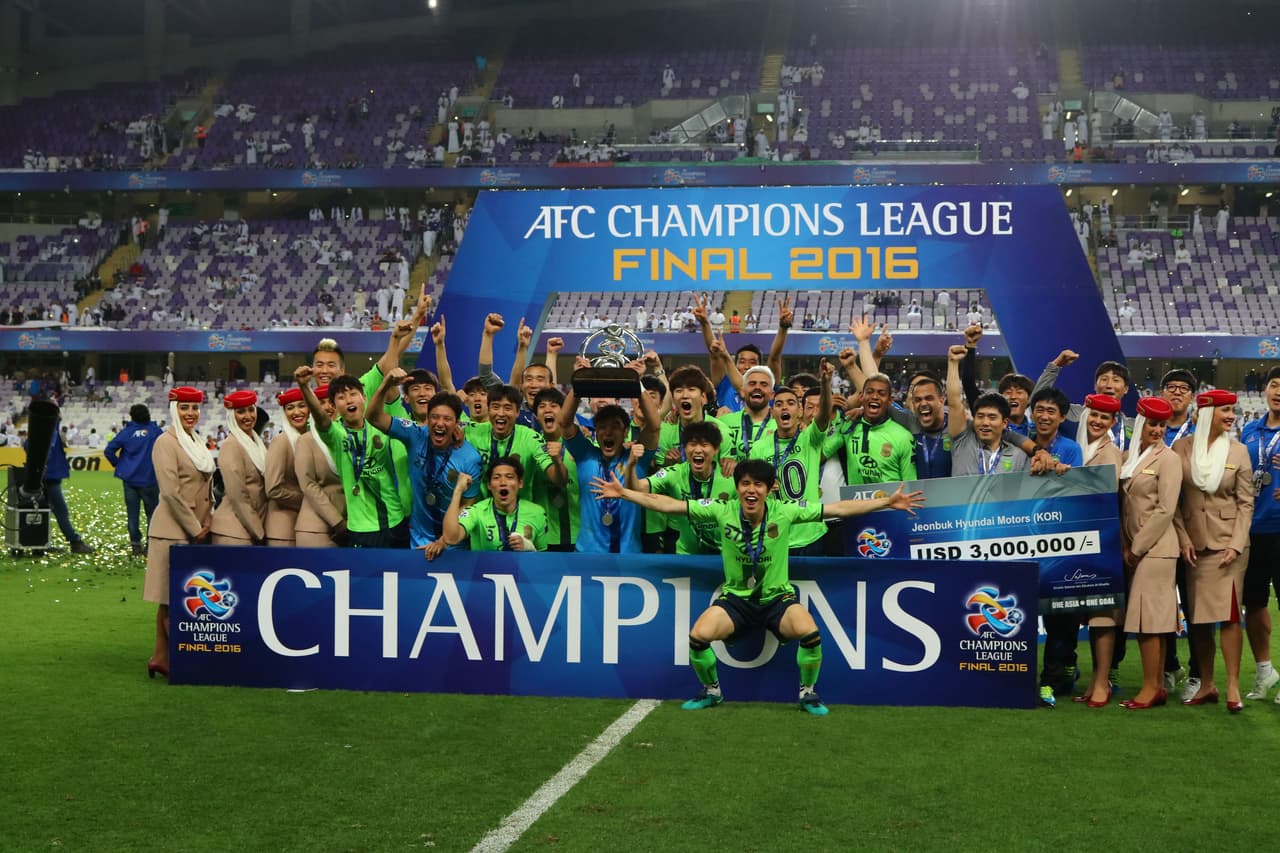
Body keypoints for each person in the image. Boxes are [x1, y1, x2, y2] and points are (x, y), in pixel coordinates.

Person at [591, 458, 924, 714]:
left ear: (770, 489)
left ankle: (808, 693)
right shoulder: (721, 510)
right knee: (698, 636)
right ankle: (712, 691)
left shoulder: (786, 511)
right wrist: (626, 493)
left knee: (809, 631)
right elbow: (670, 505)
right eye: (745, 484)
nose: (751, 490)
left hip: (777, 598)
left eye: (758, 485)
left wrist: (884, 502)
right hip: (736, 599)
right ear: (737, 488)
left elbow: (837, 508)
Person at [1173, 389, 1253, 713]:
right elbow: (1173, 502)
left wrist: (1235, 544)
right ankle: (1207, 684)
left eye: (1233, 410)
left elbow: (1246, 504)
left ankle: (1233, 685)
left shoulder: (1239, 451)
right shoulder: (1181, 449)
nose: (1231, 416)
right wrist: (1182, 539)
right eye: (1225, 411)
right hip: (1194, 547)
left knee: (1230, 617)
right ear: (1207, 413)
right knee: (1199, 621)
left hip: (1229, 549)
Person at [142, 387, 215, 679]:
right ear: (174, 409)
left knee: (177, 599)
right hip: (172, 530)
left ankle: (163, 657)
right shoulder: (165, 442)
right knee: (169, 599)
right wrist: (196, 528)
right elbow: (170, 493)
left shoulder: (196, 442)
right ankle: (163, 656)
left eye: (195, 408)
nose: (190, 413)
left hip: (192, 529)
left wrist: (205, 522)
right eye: (185, 407)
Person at [368, 369, 482, 556]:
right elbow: (373, 417)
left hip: (454, 546)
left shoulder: (470, 458)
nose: (439, 423)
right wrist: (386, 385)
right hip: (418, 542)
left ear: (457, 423)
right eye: (435, 417)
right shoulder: (414, 434)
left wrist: (443, 541)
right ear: (427, 419)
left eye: (447, 419)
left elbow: (468, 504)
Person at [296, 367, 409, 548]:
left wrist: (387, 384)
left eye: (353, 394)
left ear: (364, 397)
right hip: (361, 527)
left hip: (395, 519)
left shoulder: (381, 427)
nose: (349, 400)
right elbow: (322, 420)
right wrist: (304, 387)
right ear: (333, 406)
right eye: (341, 397)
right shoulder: (336, 435)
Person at [1117, 397, 1183, 709]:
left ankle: (1151, 686)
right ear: (1141, 424)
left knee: (1149, 622)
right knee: (1149, 620)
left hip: (1156, 549)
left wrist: (1137, 547)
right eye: (1152, 424)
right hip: (1139, 548)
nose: (1157, 430)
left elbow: (1166, 509)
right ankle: (1155, 686)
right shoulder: (1130, 457)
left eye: (1162, 425)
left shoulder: (1168, 459)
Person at [1075, 393, 1126, 706]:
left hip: (1101, 540)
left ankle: (1101, 682)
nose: (1097, 421)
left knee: (1102, 615)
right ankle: (1096, 680)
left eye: (1104, 418)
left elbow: (1103, 498)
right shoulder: (1079, 445)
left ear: (1112, 423)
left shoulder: (1110, 453)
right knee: (1091, 616)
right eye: (1094, 415)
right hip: (1082, 540)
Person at [1240, 366, 1280, 702]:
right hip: (1253, 528)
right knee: (1253, 603)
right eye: (1274, 385)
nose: (1278, 390)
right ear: (1264, 390)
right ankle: (1264, 670)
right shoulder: (1250, 431)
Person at [437, 457, 548, 553]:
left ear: (520, 483)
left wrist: (528, 547)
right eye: (496, 477)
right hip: (483, 574)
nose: (503, 482)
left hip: (522, 575)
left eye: (509, 477)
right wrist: (458, 491)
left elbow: (543, 560)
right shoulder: (477, 511)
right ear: (489, 485)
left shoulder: (537, 512)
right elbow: (451, 538)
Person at [103, 404, 164, 555]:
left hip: (130, 480)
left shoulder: (127, 432)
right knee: (152, 514)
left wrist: (119, 465)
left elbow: (109, 450)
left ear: (132, 416)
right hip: (149, 479)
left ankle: (135, 544)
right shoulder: (155, 432)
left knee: (132, 513)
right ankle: (151, 544)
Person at [210, 390, 268, 546]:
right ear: (231, 415)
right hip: (234, 531)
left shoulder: (256, 443)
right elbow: (238, 496)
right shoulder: (232, 445)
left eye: (251, 409)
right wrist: (259, 532)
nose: (248, 416)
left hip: (248, 527)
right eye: (241, 411)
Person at [293, 383, 347, 547]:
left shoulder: (350, 437)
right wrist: (337, 521)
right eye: (321, 402)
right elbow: (308, 484)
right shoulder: (306, 441)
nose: (328, 407)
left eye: (332, 402)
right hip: (317, 528)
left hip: (350, 526)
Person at [29, 420, 95, 555]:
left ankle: (40, 543)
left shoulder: (39, 430)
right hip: (50, 478)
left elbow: (28, 446)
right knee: (61, 511)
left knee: (43, 510)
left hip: (42, 477)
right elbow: (49, 451)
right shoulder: (51, 432)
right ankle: (75, 542)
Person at [264, 388, 309, 547]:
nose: (296, 412)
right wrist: (310, 501)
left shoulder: (312, 439)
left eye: (302, 406)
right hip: (283, 529)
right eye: (290, 408)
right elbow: (273, 488)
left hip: (306, 526)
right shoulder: (281, 442)